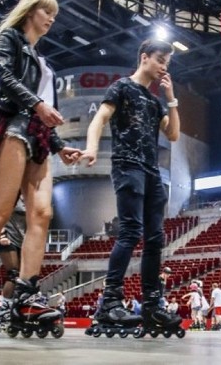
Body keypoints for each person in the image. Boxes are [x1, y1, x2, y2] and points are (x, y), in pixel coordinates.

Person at [0, 0, 82, 336]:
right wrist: (37, 106)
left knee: (41, 214)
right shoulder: (9, 38)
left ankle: (27, 293)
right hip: (14, 125)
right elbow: (4, 77)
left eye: (55, 16)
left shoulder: (44, 63)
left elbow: (45, 112)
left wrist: (60, 147)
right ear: (30, 10)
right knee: (0, 210)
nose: (51, 19)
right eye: (47, 12)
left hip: (39, 137)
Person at [81, 39, 183, 334]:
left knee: (155, 239)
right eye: (161, 59)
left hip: (152, 173)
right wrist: (91, 148)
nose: (164, 65)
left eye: (168, 61)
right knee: (130, 232)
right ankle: (110, 301)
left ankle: (152, 305)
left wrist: (171, 97)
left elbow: (174, 134)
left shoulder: (154, 102)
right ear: (144, 58)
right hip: (128, 165)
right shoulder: (122, 86)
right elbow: (99, 119)